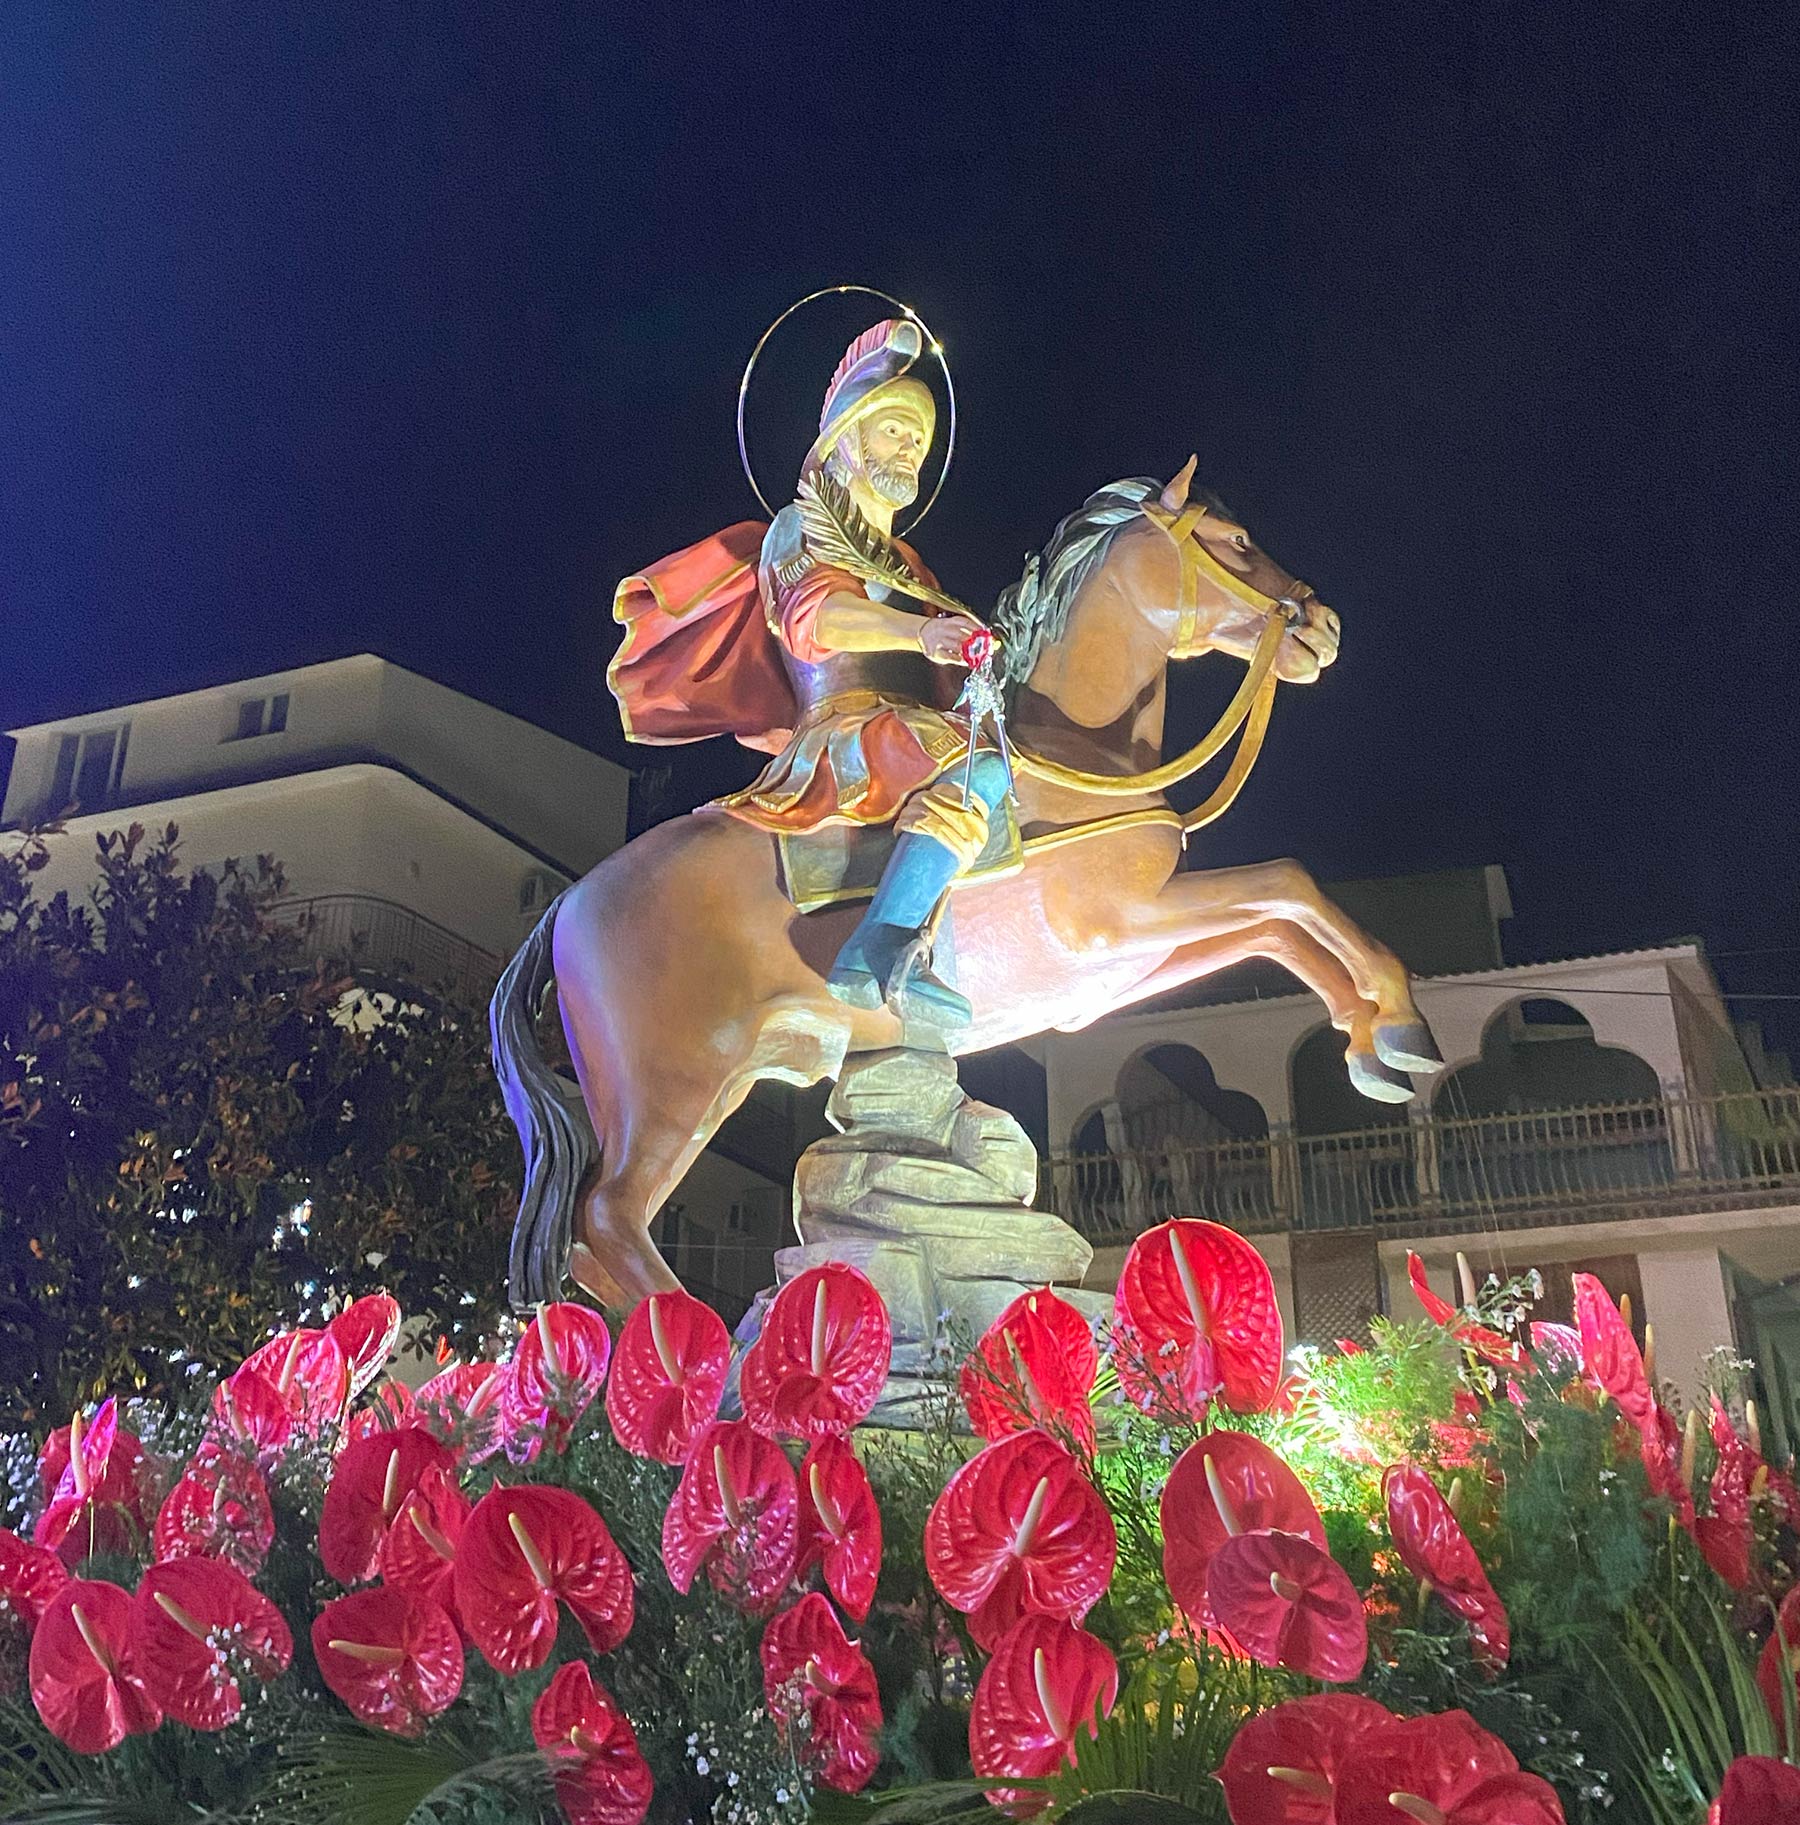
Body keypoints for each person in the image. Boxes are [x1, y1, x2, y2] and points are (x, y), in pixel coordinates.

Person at [608, 318, 1007, 1027]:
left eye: (918, 441)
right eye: (893, 431)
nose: (909, 449)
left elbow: (940, 674)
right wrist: (922, 633)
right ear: (846, 440)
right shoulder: (802, 525)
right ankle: (881, 943)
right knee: (979, 768)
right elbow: (816, 619)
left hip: (908, 722)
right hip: (844, 728)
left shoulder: (910, 566)